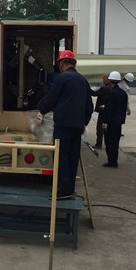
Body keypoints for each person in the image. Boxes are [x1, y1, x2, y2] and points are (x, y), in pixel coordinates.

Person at [38, 50, 93, 199]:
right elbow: (89, 106)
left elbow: (52, 98)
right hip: (77, 126)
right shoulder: (83, 81)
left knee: (61, 156)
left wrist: (42, 112)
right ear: (74, 64)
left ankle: (62, 190)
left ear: (62, 63)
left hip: (63, 125)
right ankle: (69, 189)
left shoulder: (62, 78)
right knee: (73, 157)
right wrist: (84, 124)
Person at [101, 71, 128, 168]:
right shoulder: (123, 93)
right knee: (115, 142)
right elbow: (124, 108)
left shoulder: (111, 93)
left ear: (110, 80)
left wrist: (104, 122)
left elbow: (108, 109)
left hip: (111, 122)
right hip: (118, 122)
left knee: (109, 142)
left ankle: (111, 161)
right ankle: (114, 161)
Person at [90, 74, 112, 148]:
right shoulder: (112, 88)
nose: (103, 80)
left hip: (102, 111)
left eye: (104, 79)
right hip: (109, 112)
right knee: (105, 127)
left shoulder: (104, 88)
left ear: (108, 79)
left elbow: (94, 93)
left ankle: (99, 143)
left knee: (100, 128)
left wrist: (87, 88)